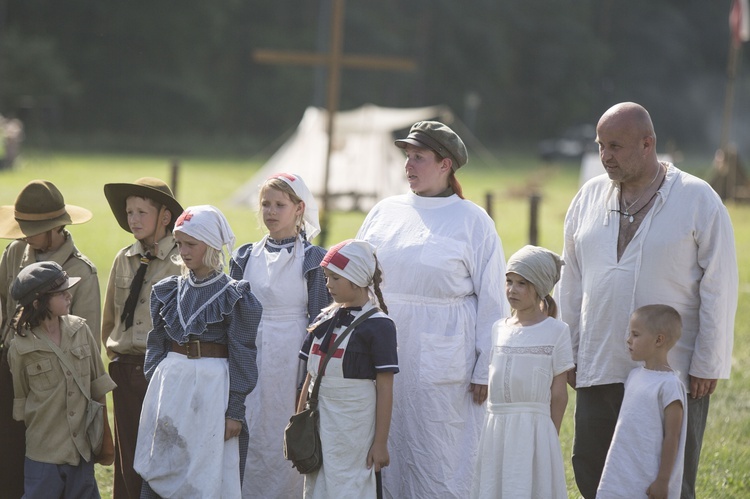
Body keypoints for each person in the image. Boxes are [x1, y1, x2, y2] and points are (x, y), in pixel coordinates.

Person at [558, 102, 738, 499]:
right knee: (594, 471)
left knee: (667, 478)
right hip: (600, 360)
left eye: (616, 147)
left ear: (647, 143)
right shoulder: (588, 197)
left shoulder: (697, 198)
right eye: (601, 146)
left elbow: (720, 286)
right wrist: (568, 351)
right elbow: (570, 279)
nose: (606, 156)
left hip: (669, 370)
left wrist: (707, 361)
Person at [356, 121, 510, 498]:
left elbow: (493, 300)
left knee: (437, 452)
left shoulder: (473, 221)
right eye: (407, 157)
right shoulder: (384, 211)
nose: (409, 165)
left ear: (446, 165)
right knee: (380, 441)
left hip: (444, 360)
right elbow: (354, 273)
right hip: (381, 347)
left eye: (419, 158)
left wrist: (484, 367)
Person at [133, 205, 261, 499]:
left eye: (191, 244)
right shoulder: (167, 290)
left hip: (211, 388)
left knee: (206, 467)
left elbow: (242, 352)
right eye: (179, 243)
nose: (184, 251)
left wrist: (235, 410)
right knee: (164, 457)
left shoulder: (235, 295)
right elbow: (157, 343)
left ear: (212, 245)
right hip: (172, 384)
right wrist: (156, 387)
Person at [229, 172, 329, 498]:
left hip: (292, 354)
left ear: (299, 208)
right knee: (253, 428)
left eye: (279, 205)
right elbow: (236, 315)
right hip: (253, 352)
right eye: (265, 204)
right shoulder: (245, 257)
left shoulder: (313, 260)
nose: (270, 211)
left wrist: (311, 372)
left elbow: (320, 317)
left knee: (286, 426)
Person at [0, 179, 101, 499]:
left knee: (52, 467)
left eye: (32, 227)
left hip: (56, 388)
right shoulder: (14, 253)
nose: (25, 235)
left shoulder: (81, 272)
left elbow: (87, 342)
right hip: (11, 371)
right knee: (9, 465)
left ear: (55, 227)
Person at [297, 239, 398, 499]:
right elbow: (311, 375)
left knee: (351, 485)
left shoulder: (379, 326)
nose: (328, 284)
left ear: (356, 278)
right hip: (319, 420)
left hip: (355, 425)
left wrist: (380, 443)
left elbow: (385, 387)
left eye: (335, 278)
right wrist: (298, 423)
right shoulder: (322, 320)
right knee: (317, 482)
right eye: (326, 277)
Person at [102, 177, 183, 499]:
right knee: (128, 456)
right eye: (128, 212)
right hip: (124, 368)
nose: (132, 219)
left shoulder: (181, 260)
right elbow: (109, 316)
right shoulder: (124, 258)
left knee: (162, 455)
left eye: (141, 212)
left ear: (165, 216)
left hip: (161, 372)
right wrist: (115, 357)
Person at [7, 262, 116, 498]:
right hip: (43, 458)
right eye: (60, 293)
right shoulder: (20, 348)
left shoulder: (81, 330)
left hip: (81, 455)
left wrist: (105, 439)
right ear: (38, 303)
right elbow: (22, 400)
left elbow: (98, 386)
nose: (69, 296)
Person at [472, 245, 573, 499]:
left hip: (534, 429)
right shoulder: (498, 328)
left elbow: (559, 394)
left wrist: (549, 437)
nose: (512, 290)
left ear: (539, 287)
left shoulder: (556, 331)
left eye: (522, 283)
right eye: (509, 281)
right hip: (498, 427)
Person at [597, 304, 688, 499]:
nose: (628, 340)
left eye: (635, 335)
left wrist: (663, 480)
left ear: (659, 340)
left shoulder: (669, 385)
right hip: (621, 472)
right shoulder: (634, 376)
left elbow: (672, 436)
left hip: (648, 477)